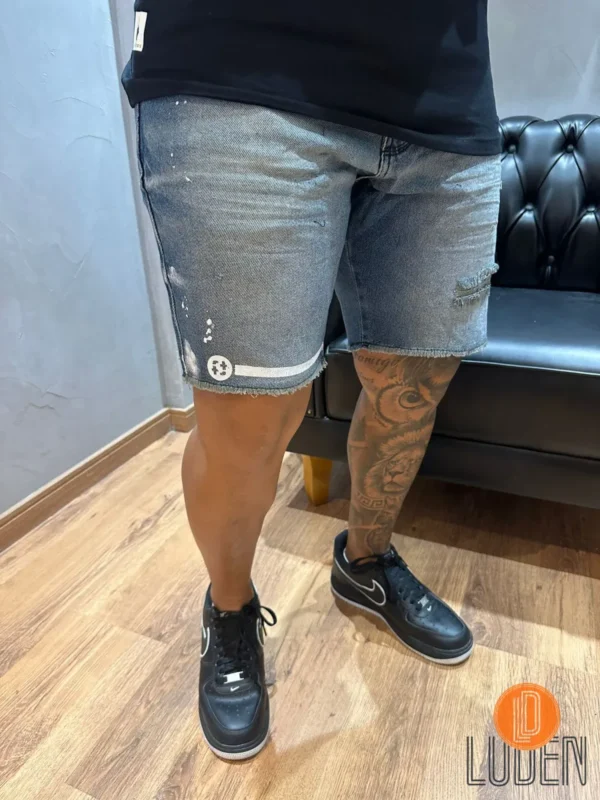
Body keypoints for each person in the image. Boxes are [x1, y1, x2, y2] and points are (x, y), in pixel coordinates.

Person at [122, 0, 502, 760]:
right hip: (240, 74)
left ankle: (366, 563)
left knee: (410, 391)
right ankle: (230, 611)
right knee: (251, 418)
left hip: (445, 107)